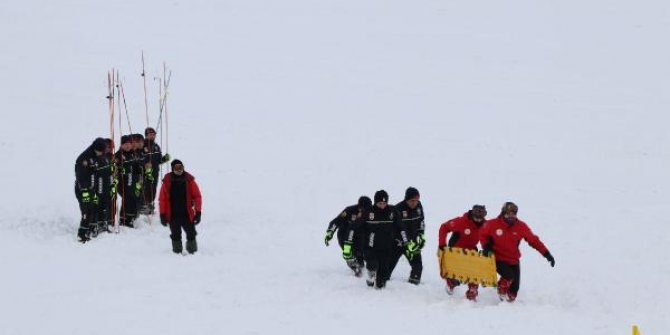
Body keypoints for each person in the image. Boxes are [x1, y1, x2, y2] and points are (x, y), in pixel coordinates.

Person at [479, 202, 555, 302]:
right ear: (503, 213)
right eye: (508, 214)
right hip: (497, 258)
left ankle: (509, 303)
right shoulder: (492, 224)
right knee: (509, 276)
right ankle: (500, 290)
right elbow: (482, 233)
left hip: (513, 259)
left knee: (514, 291)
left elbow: (534, 241)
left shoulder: (521, 226)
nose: (511, 216)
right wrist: (486, 246)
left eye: (513, 214)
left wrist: (547, 254)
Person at [345, 190, 414, 289]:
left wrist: (407, 242)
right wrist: (347, 245)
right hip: (370, 247)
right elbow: (352, 227)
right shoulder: (368, 212)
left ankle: (380, 292)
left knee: (383, 276)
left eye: (384, 203)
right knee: (372, 264)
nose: (382, 206)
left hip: (386, 247)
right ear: (375, 202)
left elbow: (401, 228)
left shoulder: (392, 211)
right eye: (380, 203)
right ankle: (370, 276)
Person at [437, 204, 487, 300]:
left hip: (471, 250)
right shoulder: (460, 222)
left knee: (475, 269)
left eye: (481, 217)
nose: (478, 220)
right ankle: (452, 282)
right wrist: (442, 244)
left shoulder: (485, 225)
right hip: (455, 250)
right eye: (476, 217)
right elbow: (444, 227)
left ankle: (473, 289)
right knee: (459, 273)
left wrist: (489, 249)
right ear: (472, 214)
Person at [159, 159, 202, 254]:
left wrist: (198, 212)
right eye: (176, 168)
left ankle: (192, 251)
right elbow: (162, 200)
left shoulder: (189, 180)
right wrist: (162, 214)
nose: (179, 170)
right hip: (173, 215)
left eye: (180, 167)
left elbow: (197, 196)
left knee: (191, 233)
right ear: (172, 169)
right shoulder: (167, 182)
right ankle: (177, 252)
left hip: (187, 214)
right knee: (175, 234)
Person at [324, 196, 372, 276]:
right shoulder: (349, 211)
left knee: (361, 258)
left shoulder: (371, 213)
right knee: (348, 253)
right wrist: (330, 233)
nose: (363, 212)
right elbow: (336, 221)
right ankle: (355, 267)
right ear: (359, 207)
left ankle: (361, 264)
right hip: (344, 235)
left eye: (366, 210)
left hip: (359, 237)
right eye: (362, 209)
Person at [388, 187, 425, 284]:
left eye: (417, 200)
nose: (414, 203)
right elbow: (393, 230)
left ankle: (413, 286)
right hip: (397, 243)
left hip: (412, 242)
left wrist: (421, 235)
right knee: (386, 270)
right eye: (412, 200)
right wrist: (406, 242)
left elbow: (421, 221)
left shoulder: (419, 206)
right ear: (406, 199)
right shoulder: (397, 209)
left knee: (418, 266)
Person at [74, 138, 106, 242]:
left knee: (92, 208)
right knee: (86, 210)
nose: (101, 153)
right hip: (83, 189)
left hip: (92, 188)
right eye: (100, 151)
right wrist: (84, 190)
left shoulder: (98, 156)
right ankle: (81, 234)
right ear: (96, 148)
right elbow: (80, 176)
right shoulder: (84, 158)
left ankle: (89, 229)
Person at [142, 127, 170, 214]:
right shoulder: (142, 146)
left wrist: (164, 159)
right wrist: (145, 165)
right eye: (150, 134)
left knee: (153, 188)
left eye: (153, 134)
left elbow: (159, 161)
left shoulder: (156, 146)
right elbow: (139, 159)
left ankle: (150, 204)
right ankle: (143, 205)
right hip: (145, 172)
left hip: (155, 172)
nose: (152, 136)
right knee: (145, 187)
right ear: (146, 135)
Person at [115, 135, 138, 227]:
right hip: (121, 182)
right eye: (125, 144)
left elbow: (137, 165)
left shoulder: (133, 154)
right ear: (121, 145)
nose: (128, 146)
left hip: (132, 181)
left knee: (133, 199)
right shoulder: (118, 155)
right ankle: (124, 220)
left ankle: (130, 218)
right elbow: (114, 168)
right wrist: (120, 169)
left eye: (129, 144)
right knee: (127, 198)